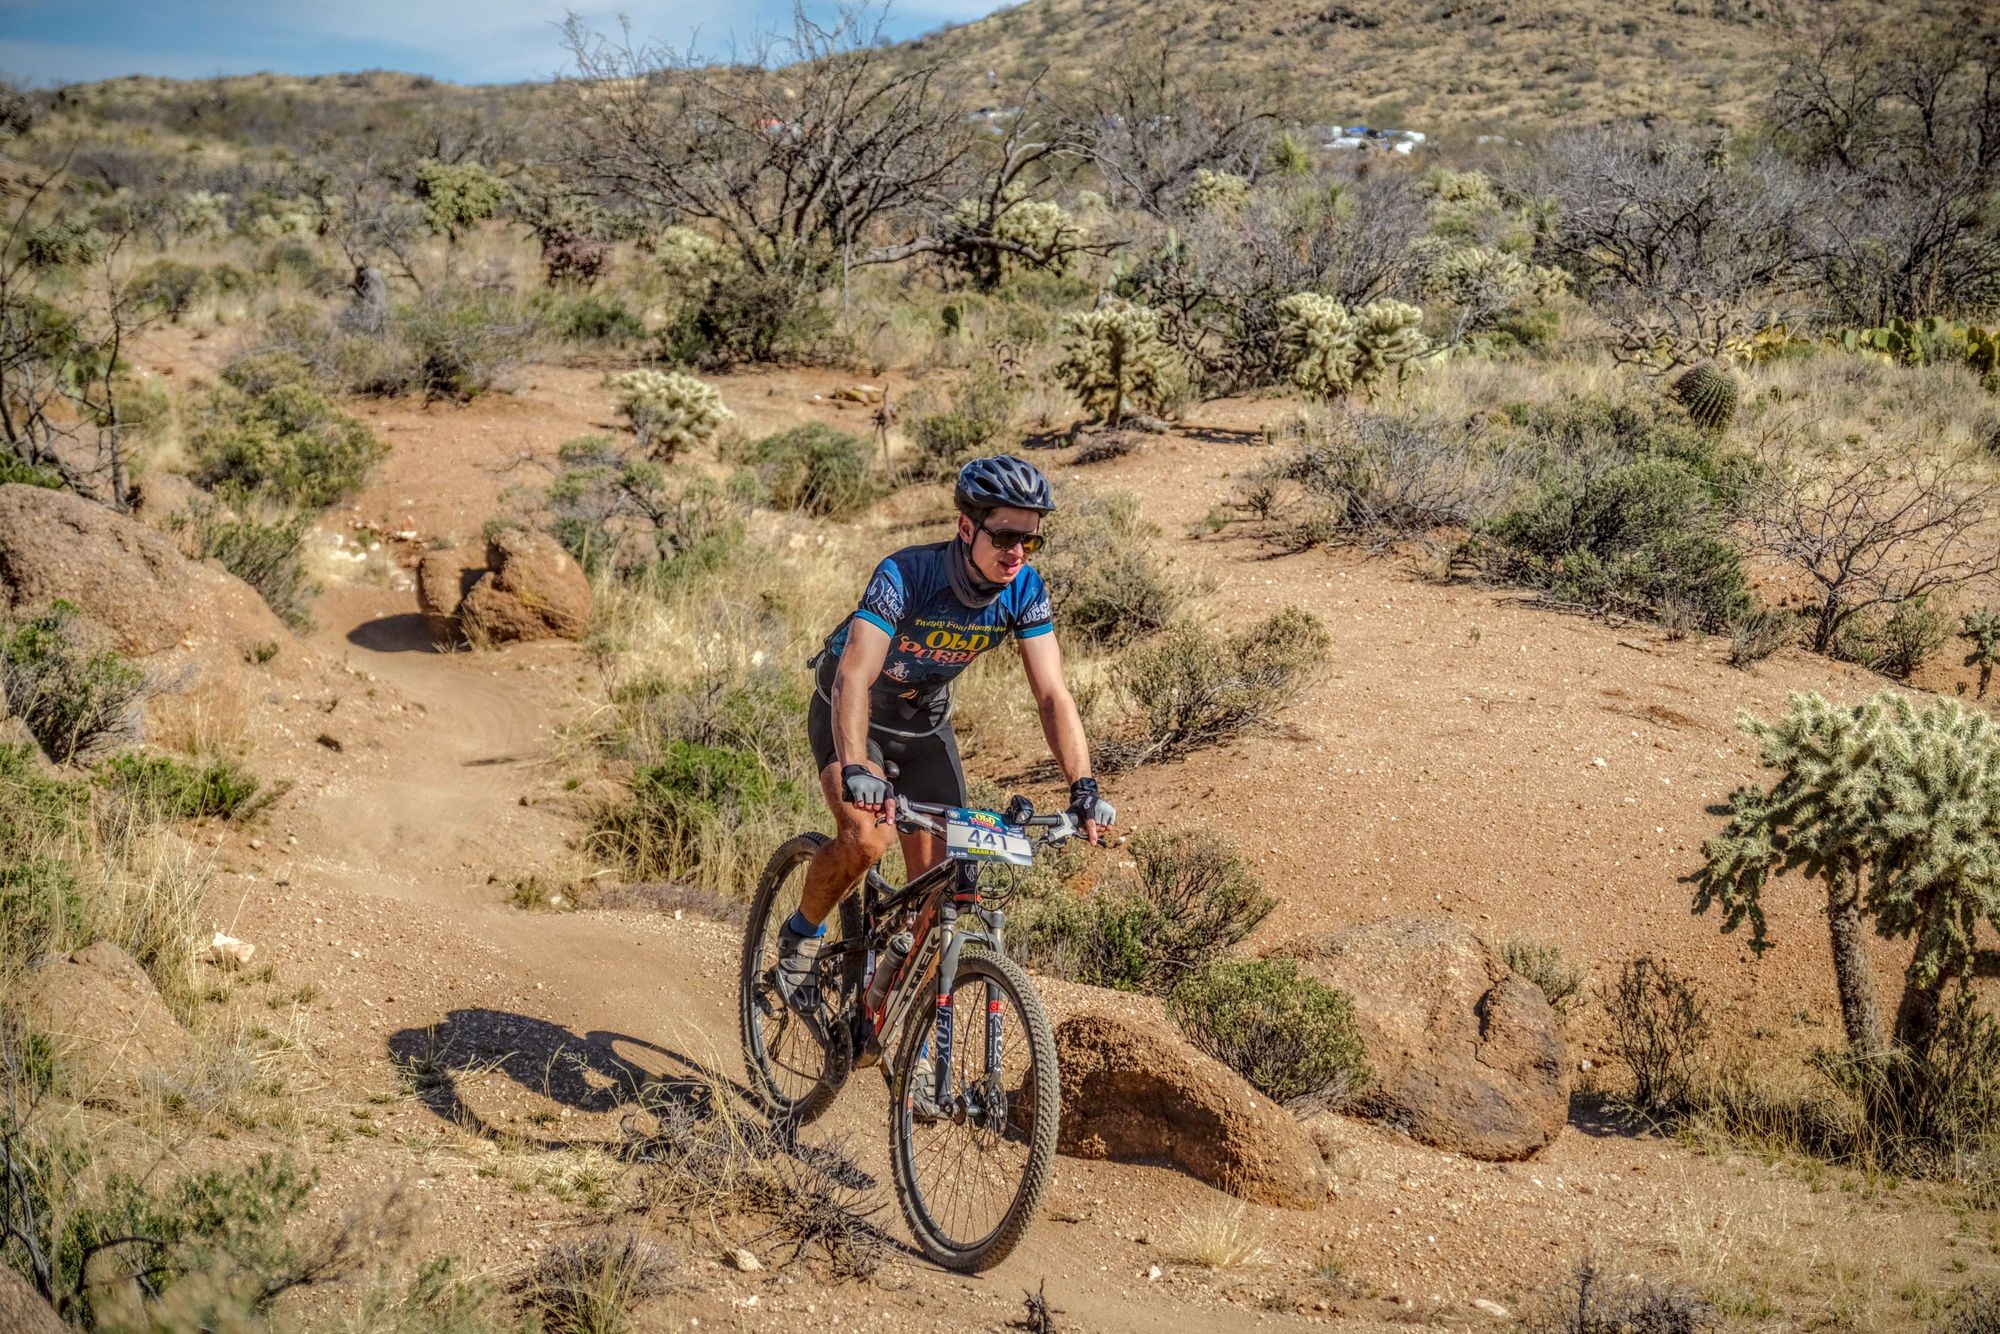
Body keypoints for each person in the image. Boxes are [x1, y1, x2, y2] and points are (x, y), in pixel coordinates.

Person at [777, 455, 1115, 1016]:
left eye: (1030, 541)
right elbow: (853, 676)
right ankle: (801, 934)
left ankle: (884, 1016)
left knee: (947, 887)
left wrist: (1083, 786)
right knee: (867, 838)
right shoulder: (906, 574)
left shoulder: (1024, 589)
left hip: (923, 725)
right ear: (965, 527)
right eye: (1004, 536)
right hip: (854, 712)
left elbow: (1053, 695)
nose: (1017, 552)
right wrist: (856, 767)